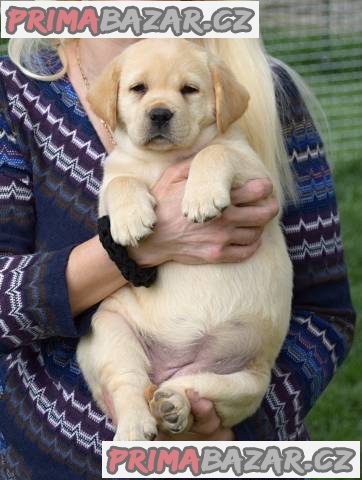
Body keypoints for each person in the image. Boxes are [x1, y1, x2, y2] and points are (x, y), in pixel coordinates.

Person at [0, 36, 355, 480]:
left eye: (188, 90)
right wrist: (130, 251)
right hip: (52, 461)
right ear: (115, 96)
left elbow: (326, 314)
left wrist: (229, 439)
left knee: (232, 384)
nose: (161, 107)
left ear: (216, 102)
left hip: (230, 443)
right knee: (112, 331)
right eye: (139, 90)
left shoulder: (266, 89)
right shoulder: (12, 93)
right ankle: (133, 408)